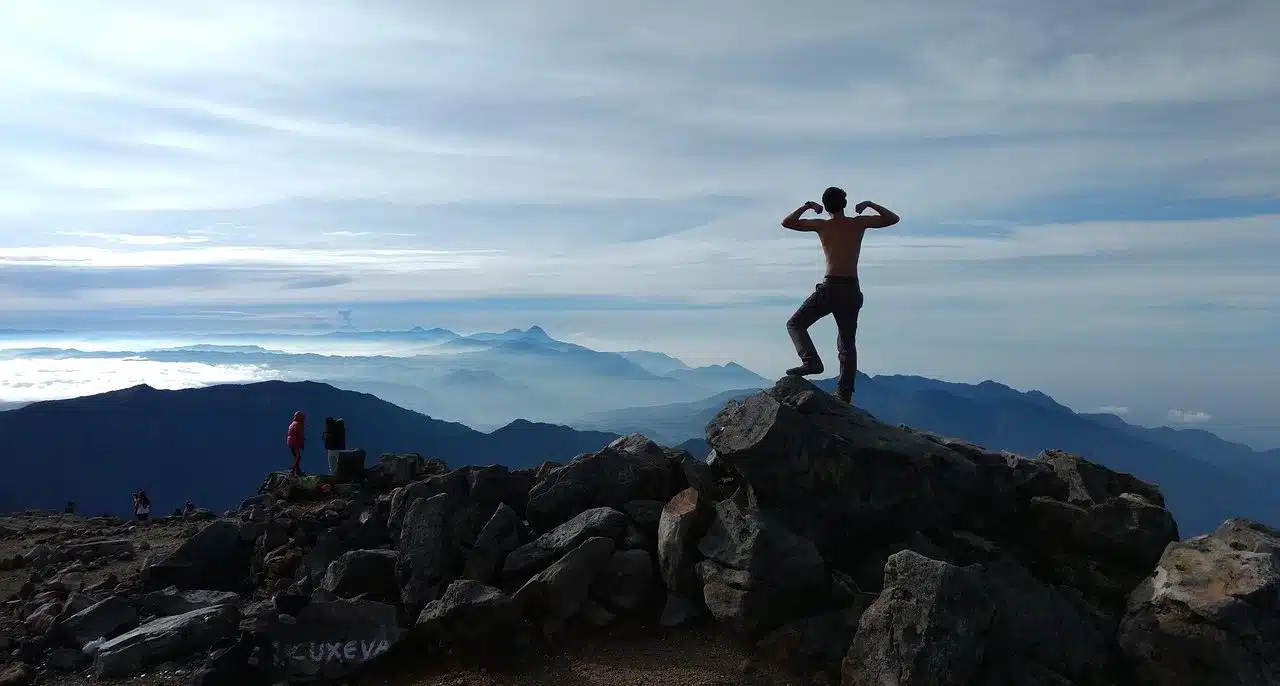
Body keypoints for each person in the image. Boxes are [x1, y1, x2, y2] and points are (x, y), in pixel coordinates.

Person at [780, 187, 899, 403]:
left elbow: (787, 222)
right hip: (851, 289)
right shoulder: (858, 223)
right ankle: (844, 394)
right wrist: (870, 204)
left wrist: (807, 207)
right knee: (847, 342)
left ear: (825, 207)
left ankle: (811, 362)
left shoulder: (822, 225)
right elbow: (892, 219)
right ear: (845, 204)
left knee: (795, 324)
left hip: (831, 287)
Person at [286, 411, 306, 476]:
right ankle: (293, 469)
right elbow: (299, 434)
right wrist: (303, 438)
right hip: (294, 442)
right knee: (298, 456)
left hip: (290, 441)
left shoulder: (292, 424)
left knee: (296, 456)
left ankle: (297, 470)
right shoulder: (298, 424)